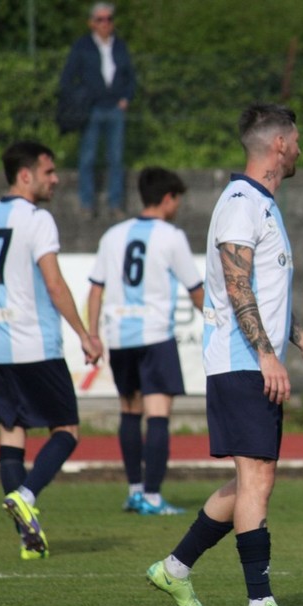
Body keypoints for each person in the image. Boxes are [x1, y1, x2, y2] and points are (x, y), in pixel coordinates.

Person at [145, 104, 303, 606]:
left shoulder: (263, 206)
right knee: (256, 480)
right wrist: (267, 355)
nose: (300, 148)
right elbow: (236, 285)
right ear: (279, 145)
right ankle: (259, 603)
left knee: (253, 478)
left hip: (251, 361)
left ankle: (175, 567)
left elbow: (266, 295)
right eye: (296, 140)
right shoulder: (241, 203)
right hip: (240, 362)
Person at [0, 141, 102, 560]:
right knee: (66, 430)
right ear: (26, 175)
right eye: (48, 172)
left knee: (11, 434)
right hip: (35, 346)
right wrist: (84, 334)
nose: (55, 179)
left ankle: (27, 539)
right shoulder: (38, 219)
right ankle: (26, 494)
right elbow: (54, 284)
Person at [87, 167, 204, 516]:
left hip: (120, 336)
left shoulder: (113, 235)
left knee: (129, 410)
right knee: (158, 414)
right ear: (168, 198)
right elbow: (196, 290)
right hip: (155, 335)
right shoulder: (171, 236)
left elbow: (96, 289)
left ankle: (135, 491)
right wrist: (220, 322)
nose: (177, 207)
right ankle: (152, 496)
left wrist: (93, 334)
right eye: (177, 200)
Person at [59, 2, 136, 219]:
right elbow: (67, 77)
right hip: (91, 108)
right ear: (92, 23)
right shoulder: (82, 46)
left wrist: (126, 98)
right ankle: (87, 203)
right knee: (88, 157)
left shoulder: (119, 46)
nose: (105, 24)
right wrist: (79, 98)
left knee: (116, 158)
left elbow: (130, 77)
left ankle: (115, 204)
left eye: (108, 19)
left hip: (115, 108)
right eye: (100, 19)